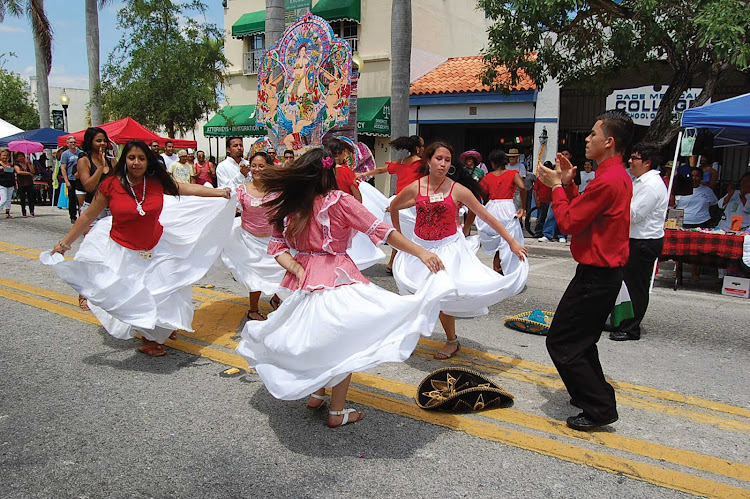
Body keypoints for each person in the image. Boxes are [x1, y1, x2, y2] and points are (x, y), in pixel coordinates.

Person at [235, 147, 453, 428]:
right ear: (329, 173)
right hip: (338, 279)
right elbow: (382, 231)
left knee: (318, 340)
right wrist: (421, 252)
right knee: (343, 345)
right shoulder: (339, 201)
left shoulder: (287, 203)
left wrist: (298, 268)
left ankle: (316, 393)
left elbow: (277, 248)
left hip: (306, 285)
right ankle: (336, 412)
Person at [41, 140, 236, 357]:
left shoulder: (156, 181)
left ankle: (158, 328)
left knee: (166, 291)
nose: (136, 163)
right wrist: (64, 243)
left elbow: (185, 188)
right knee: (134, 297)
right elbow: (88, 215)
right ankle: (149, 334)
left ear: (148, 161)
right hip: (124, 252)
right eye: (131, 158)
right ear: (125, 160)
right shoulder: (111, 185)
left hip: (156, 247)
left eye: (141, 158)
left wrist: (219, 193)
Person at [536, 109, 634, 431]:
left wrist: (556, 187)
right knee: (581, 341)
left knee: (561, 341)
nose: (587, 139)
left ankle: (599, 406)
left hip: (597, 275)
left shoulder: (609, 179)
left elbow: (567, 222)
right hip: (599, 274)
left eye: (593, 134)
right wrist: (568, 185)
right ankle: (590, 395)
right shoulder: (614, 176)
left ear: (609, 141)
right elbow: (585, 213)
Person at [391, 141, 529, 359]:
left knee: (440, 294)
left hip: (448, 249)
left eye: (447, 160)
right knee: (419, 294)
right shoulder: (416, 187)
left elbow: (486, 216)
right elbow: (394, 207)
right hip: (422, 248)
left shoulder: (457, 189)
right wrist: (398, 241)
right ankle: (412, 333)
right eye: (438, 159)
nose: (443, 164)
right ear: (428, 161)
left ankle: (451, 341)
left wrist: (511, 241)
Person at [609, 143, 668, 342]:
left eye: (635, 158)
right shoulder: (640, 181)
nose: (630, 161)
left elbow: (634, 214)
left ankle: (632, 328)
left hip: (644, 242)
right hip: (634, 239)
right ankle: (621, 320)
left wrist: (613, 204)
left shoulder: (651, 185)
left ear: (647, 162)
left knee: (636, 286)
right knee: (624, 284)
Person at [221, 151, 284, 321]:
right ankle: (253, 310)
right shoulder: (242, 190)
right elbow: (230, 209)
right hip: (248, 241)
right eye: (254, 165)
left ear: (269, 167)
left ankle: (276, 298)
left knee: (281, 272)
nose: (257, 169)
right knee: (254, 277)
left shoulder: (277, 190)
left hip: (272, 240)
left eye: (261, 166)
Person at [356, 135, 425, 273]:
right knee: (411, 235)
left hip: (396, 201)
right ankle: (402, 265)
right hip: (411, 203)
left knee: (399, 234)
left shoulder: (402, 162)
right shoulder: (422, 165)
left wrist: (362, 175)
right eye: (423, 145)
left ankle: (393, 263)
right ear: (418, 148)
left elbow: (381, 170)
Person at [477, 149, 526, 274]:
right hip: (507, 207)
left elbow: (480, 192)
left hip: (493, 207)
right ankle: (507, 269)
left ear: (493, 163)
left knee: (499, 241)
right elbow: (522, 187)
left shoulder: (488, 177)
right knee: (509, 239)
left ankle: (496, 268)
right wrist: (522, 206)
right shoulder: (513, 173)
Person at [61, 135, 82, 223]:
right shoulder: (65, 154)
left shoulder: (80, 153)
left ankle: (82, 215)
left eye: (74, 142)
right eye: (71, 142)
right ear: (67, 144)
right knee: (72, 198)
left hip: (80, 178)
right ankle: (73, 216)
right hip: (71, 178)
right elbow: (63, 168)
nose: (73, 144)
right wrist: (66, 180)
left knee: (80, 198)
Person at [532, 161, 553, 238]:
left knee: (549, 218)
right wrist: (536, 200)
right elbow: (535, 190)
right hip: (542, 200)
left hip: (551, 201)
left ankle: (548, 233)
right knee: (540, 217)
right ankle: (538, 232)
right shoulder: (539, 178)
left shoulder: (553, 178)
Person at [13, 152, 37, 217]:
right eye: (19, 157)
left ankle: (32, 211)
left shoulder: (27, 163)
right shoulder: (16, 165)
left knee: (31, 197)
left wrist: (29, 164)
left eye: (22, 156)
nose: (21, 158)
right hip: (21, 183)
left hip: (29, 182)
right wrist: (28, 173)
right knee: (22, 198)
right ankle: (24, 212)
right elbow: (19, 172)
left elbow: (33, 171)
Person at [0, 149, 15, 218]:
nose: (5, 157)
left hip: (10, 184)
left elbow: (12, 174)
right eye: (3, 155)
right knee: (4, 199)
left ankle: (7, 213)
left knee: (9, 199)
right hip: (2, 184)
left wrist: (15, 184)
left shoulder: (10, 164)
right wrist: (3, 169)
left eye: (6, 155)